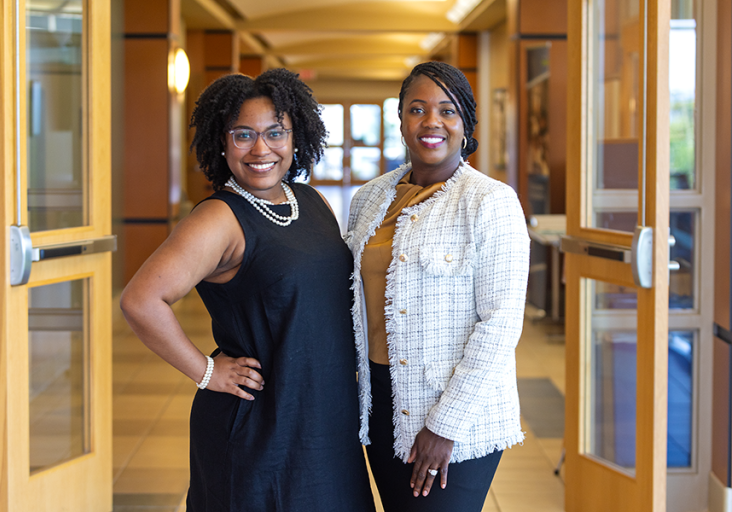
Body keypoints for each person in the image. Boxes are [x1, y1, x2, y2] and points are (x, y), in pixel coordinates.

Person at [120, 68, 375, 512]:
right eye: (243, 135)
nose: (261, 149)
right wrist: (206, 371)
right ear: (222, 142)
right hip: (261, 429)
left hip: (324, 418)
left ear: (296, 137)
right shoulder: (219, 217)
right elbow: (141, 300)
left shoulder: (310, 202)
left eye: (275, 132)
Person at [344, 61, 529, 511]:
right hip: (379, 401)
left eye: (447, 110)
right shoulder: (370, 198)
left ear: (465, 122)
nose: (431, 122)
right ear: (401, 120)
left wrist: (444, 425)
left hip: (454, 415)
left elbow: (500, 324)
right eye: (417, 109)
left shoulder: (490, 201)